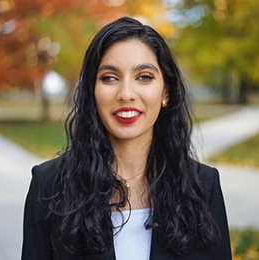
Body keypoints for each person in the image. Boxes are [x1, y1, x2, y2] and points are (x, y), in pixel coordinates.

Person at [21, 17, 232, 260]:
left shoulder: (203, 186)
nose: (126, 94)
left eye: (144, 76)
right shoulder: (49, 186)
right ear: (92, 92)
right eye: (109, 78)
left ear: (166, 92)